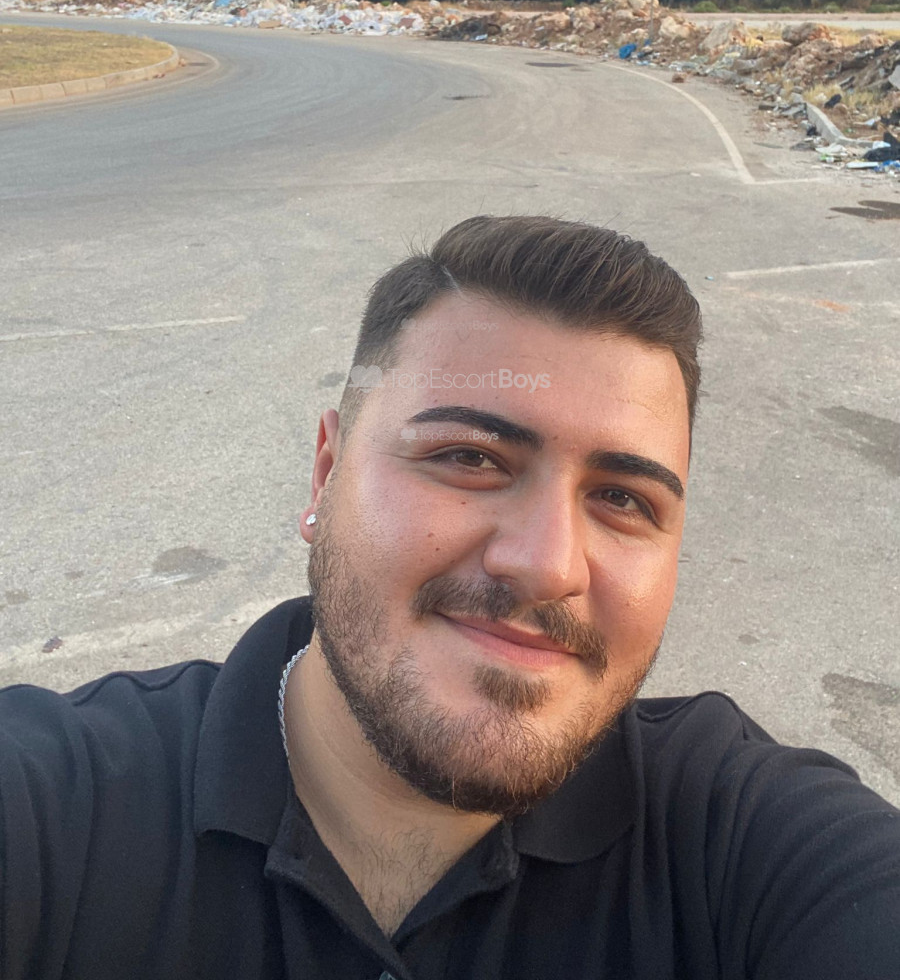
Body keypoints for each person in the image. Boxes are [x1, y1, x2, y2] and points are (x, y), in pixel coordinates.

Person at [1, 215, 897, 980]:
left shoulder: (748, 847)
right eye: (470, 457)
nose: (547, 565)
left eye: (623, 500)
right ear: (325, 473)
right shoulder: (54, 814)